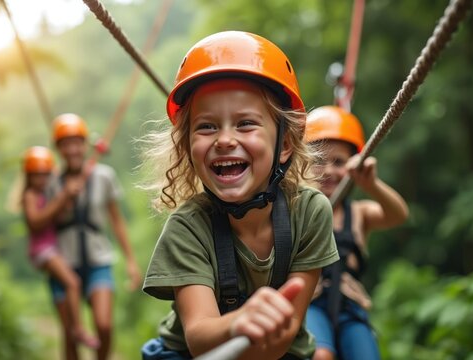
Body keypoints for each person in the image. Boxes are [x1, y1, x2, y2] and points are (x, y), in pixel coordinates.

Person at [139, 31, 339, 360]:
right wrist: (238, 323)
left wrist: (257, 325)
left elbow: (281, 340)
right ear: (187, 146)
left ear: (285, 144)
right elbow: (200, 337)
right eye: (206, 126)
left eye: (245, 123)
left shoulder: (310, 212)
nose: (225, 140)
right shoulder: (187, 228)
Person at [303, 106, 409, 360]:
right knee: (321, 355)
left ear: (352, 165)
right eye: (319, 161)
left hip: (349, 305)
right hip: (310, 302)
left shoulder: (359, 213)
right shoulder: (299, 209)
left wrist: (370, 184)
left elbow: (398, 214)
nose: (329, 170)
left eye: (338, 162)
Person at [47, 113, 142, 360]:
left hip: (98, 259)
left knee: (104, 325)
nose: (72, 149)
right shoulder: (51, 183)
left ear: (85, 145)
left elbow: (116, 221)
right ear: (59, 149)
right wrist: (63, 198)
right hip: (64, 263)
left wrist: (131, 261)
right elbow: (42, 223)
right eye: (66, 144)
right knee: (70, 333)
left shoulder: (103, 176)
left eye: (77, 143)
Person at [21, 146, 99, 350]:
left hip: (53, 248)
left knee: (70, 285)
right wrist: (63, 196)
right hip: (43, 250)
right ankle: (79, 328)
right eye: (36, 175)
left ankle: (75, 328)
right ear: (28, 176)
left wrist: (67, 200)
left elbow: (59, 217)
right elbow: (35, 222)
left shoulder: (48, 193)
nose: (41, 179)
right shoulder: (30, 195)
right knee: (73, 282)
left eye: (45, 175)